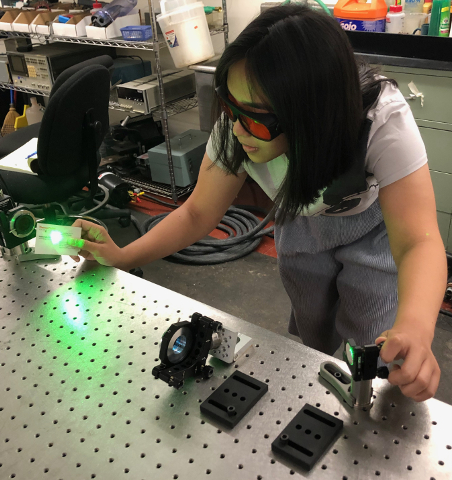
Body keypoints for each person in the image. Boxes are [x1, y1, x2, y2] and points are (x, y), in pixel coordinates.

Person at [68, 5, 446, 402]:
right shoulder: (240, 121)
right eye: (229, 107)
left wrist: (417, 330)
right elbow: (197, 212)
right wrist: (121, 256)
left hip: (371, 230)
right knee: (310, 331)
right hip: (300, 220)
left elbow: (417, 242)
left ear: (308, 116)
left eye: (255, 118)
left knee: (380, 346)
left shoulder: (381, 121)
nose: (234, 128)